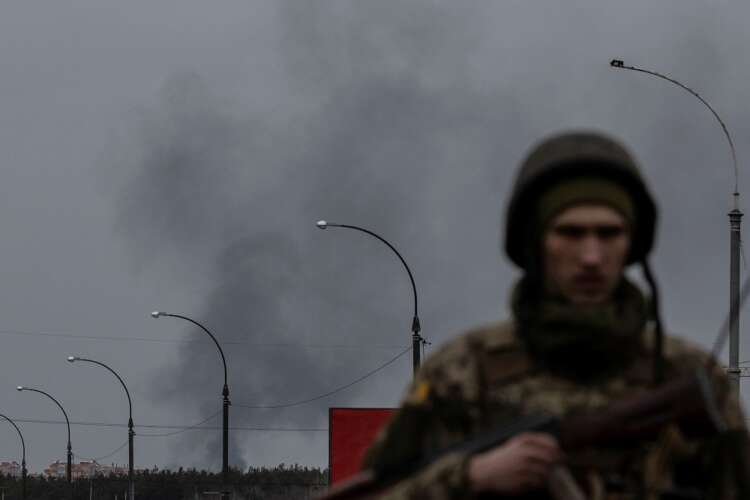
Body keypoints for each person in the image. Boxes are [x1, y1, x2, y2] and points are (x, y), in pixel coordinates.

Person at [363, 131, 750, 499]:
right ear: (536, 243)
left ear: (633, 243)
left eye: (609, 233)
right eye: (570, 233)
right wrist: (472, 476)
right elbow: (379, 491)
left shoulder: (687, 374)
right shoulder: (463, 372)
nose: (591, 258)